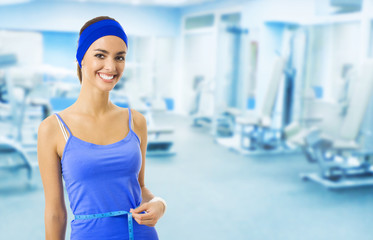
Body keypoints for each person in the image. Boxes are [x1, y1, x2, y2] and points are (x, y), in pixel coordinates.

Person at [37, 16, 167, 240]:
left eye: (120, 57)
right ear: (81, 59)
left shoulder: (136, 121)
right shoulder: (53, 128)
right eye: (100, 55)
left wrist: (159, 204)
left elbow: (140, 187)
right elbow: (55, 213)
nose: (111, 66)